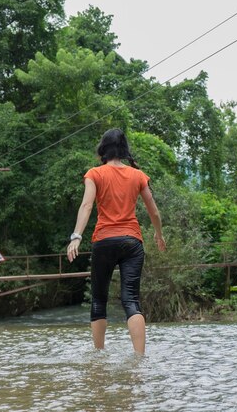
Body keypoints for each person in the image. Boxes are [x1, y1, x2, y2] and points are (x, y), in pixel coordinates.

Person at [67, 128, 166, 355]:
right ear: (124, 149)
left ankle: (99, 357)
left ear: (103, 148)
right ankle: (140, 358)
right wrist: (158, 234)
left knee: (99, 299)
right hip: (132, 241)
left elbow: (86, 206)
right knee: (131, 300)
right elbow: (154, 212)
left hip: (103, 241)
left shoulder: (95, 174)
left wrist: (76, 236)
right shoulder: (138, 175)